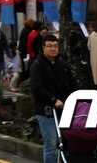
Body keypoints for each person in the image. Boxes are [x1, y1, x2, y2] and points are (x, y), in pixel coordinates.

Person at [31, 33, 76, 163]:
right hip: (46, 111)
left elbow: (72, 84)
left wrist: (72, 100)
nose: (53, 49)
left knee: (67, 143)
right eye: (49, 46)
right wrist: (53, 100)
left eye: (55, 46)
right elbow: (36, 88)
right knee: (51, 144)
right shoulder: (37, 65)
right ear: (43, 48)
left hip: (65, 109)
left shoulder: (62, 64)